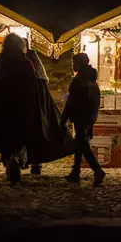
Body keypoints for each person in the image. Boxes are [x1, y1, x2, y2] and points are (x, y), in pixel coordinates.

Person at [0, 33, 39, 186]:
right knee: (18, 137)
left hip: (1, 108)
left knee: (4, 138)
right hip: (21, 107)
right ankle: (14, 159)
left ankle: (9, 161)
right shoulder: (26, 63)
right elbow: (32, 88)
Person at [23, 38, 74, 176]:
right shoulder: (24, 60)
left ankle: (34, 163)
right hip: (29, 105)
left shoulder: (30, 60)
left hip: (34, 106)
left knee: (38, 130)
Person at [61, 53, 106, 186]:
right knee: (80, 143)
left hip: (81, 115)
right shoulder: (91, 80)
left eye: (74, 63)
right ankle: (75, 172)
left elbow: (71, 101)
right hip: (89, 116)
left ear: (80, 64)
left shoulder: (79, 81)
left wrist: (63, 118)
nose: (72, 66)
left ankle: (97, 170)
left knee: (81, 143)